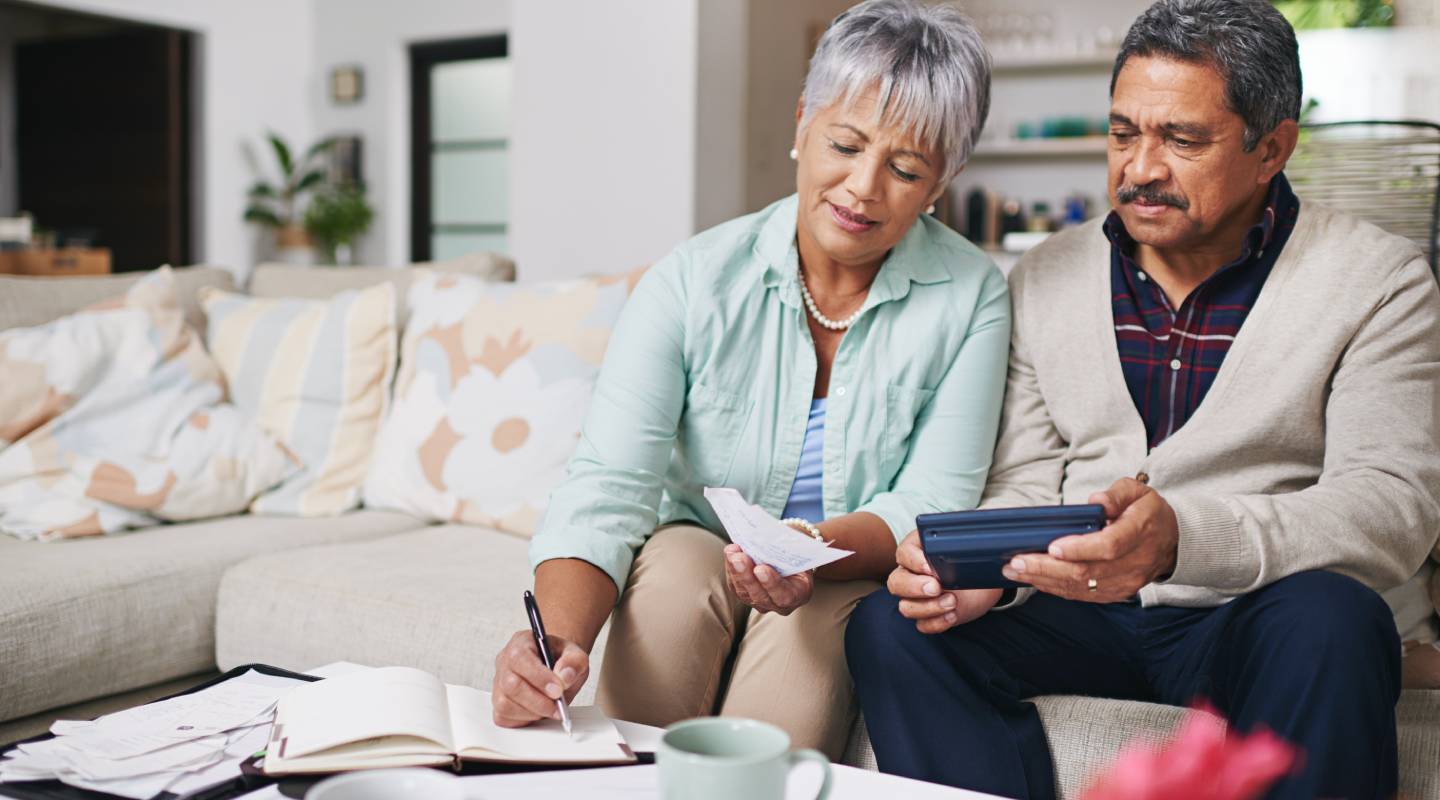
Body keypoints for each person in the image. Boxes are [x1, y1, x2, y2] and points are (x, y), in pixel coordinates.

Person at [845, 0, 1440, 797]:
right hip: (1075, 608)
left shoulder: (1379, 280)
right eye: (1124, 132)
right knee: (891, 628)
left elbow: (1390, 507)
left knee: (1335, 621)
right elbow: (1025, 477)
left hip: (1249, 614)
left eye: (1182, 140)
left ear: (1273, 149)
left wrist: (1182, 540)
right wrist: (988, 569)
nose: (1140, 168)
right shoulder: (1045, 275)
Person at [490, 0, 1007, 759]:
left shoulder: (972, 296)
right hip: (694, 545)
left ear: (943, 182)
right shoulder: (692, 280)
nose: (863, 187)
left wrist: (803, 547)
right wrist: (554, 645)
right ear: (802, 123)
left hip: (839, 565)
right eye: (845, 143)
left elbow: (931, 501)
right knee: (671, 586)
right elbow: (610, 481)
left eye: (905, 168)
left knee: (782, 709)